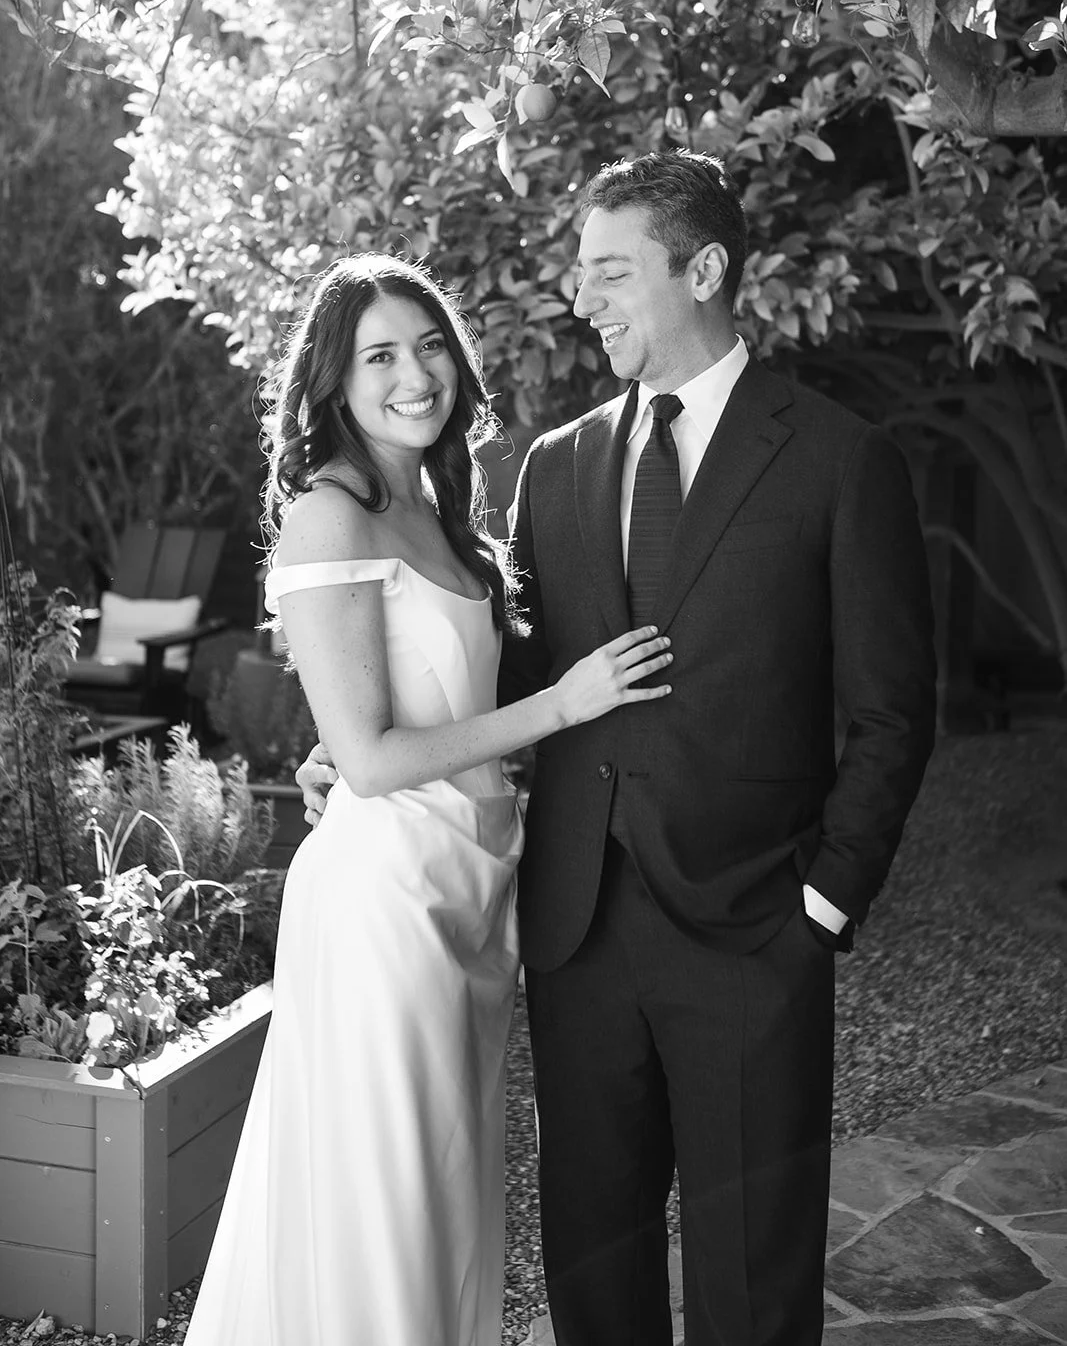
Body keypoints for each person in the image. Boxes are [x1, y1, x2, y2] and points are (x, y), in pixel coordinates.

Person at [299, 152, 938, 1346]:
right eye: (577, 274)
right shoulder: (557, 464)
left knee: (755, 1274)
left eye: (608, 273)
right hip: (576, 927)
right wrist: (363, 745)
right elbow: (523, 680)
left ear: (701, 270)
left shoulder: (839, 460)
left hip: (757, 926)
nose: (581, 301)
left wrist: (823, 902)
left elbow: (894, 710)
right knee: (594, 1262)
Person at [184, 254, 673, 1346]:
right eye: (380, 355)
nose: (416, 375)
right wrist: (561, 703)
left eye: (430, 344)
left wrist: (359, 742)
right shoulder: (330, 512)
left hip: (472, 887)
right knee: (388, 1200)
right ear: (332, 383)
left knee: (450, 1192)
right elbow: (370, 759)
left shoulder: (439, 504)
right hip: (384, 909)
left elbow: (403, 699)